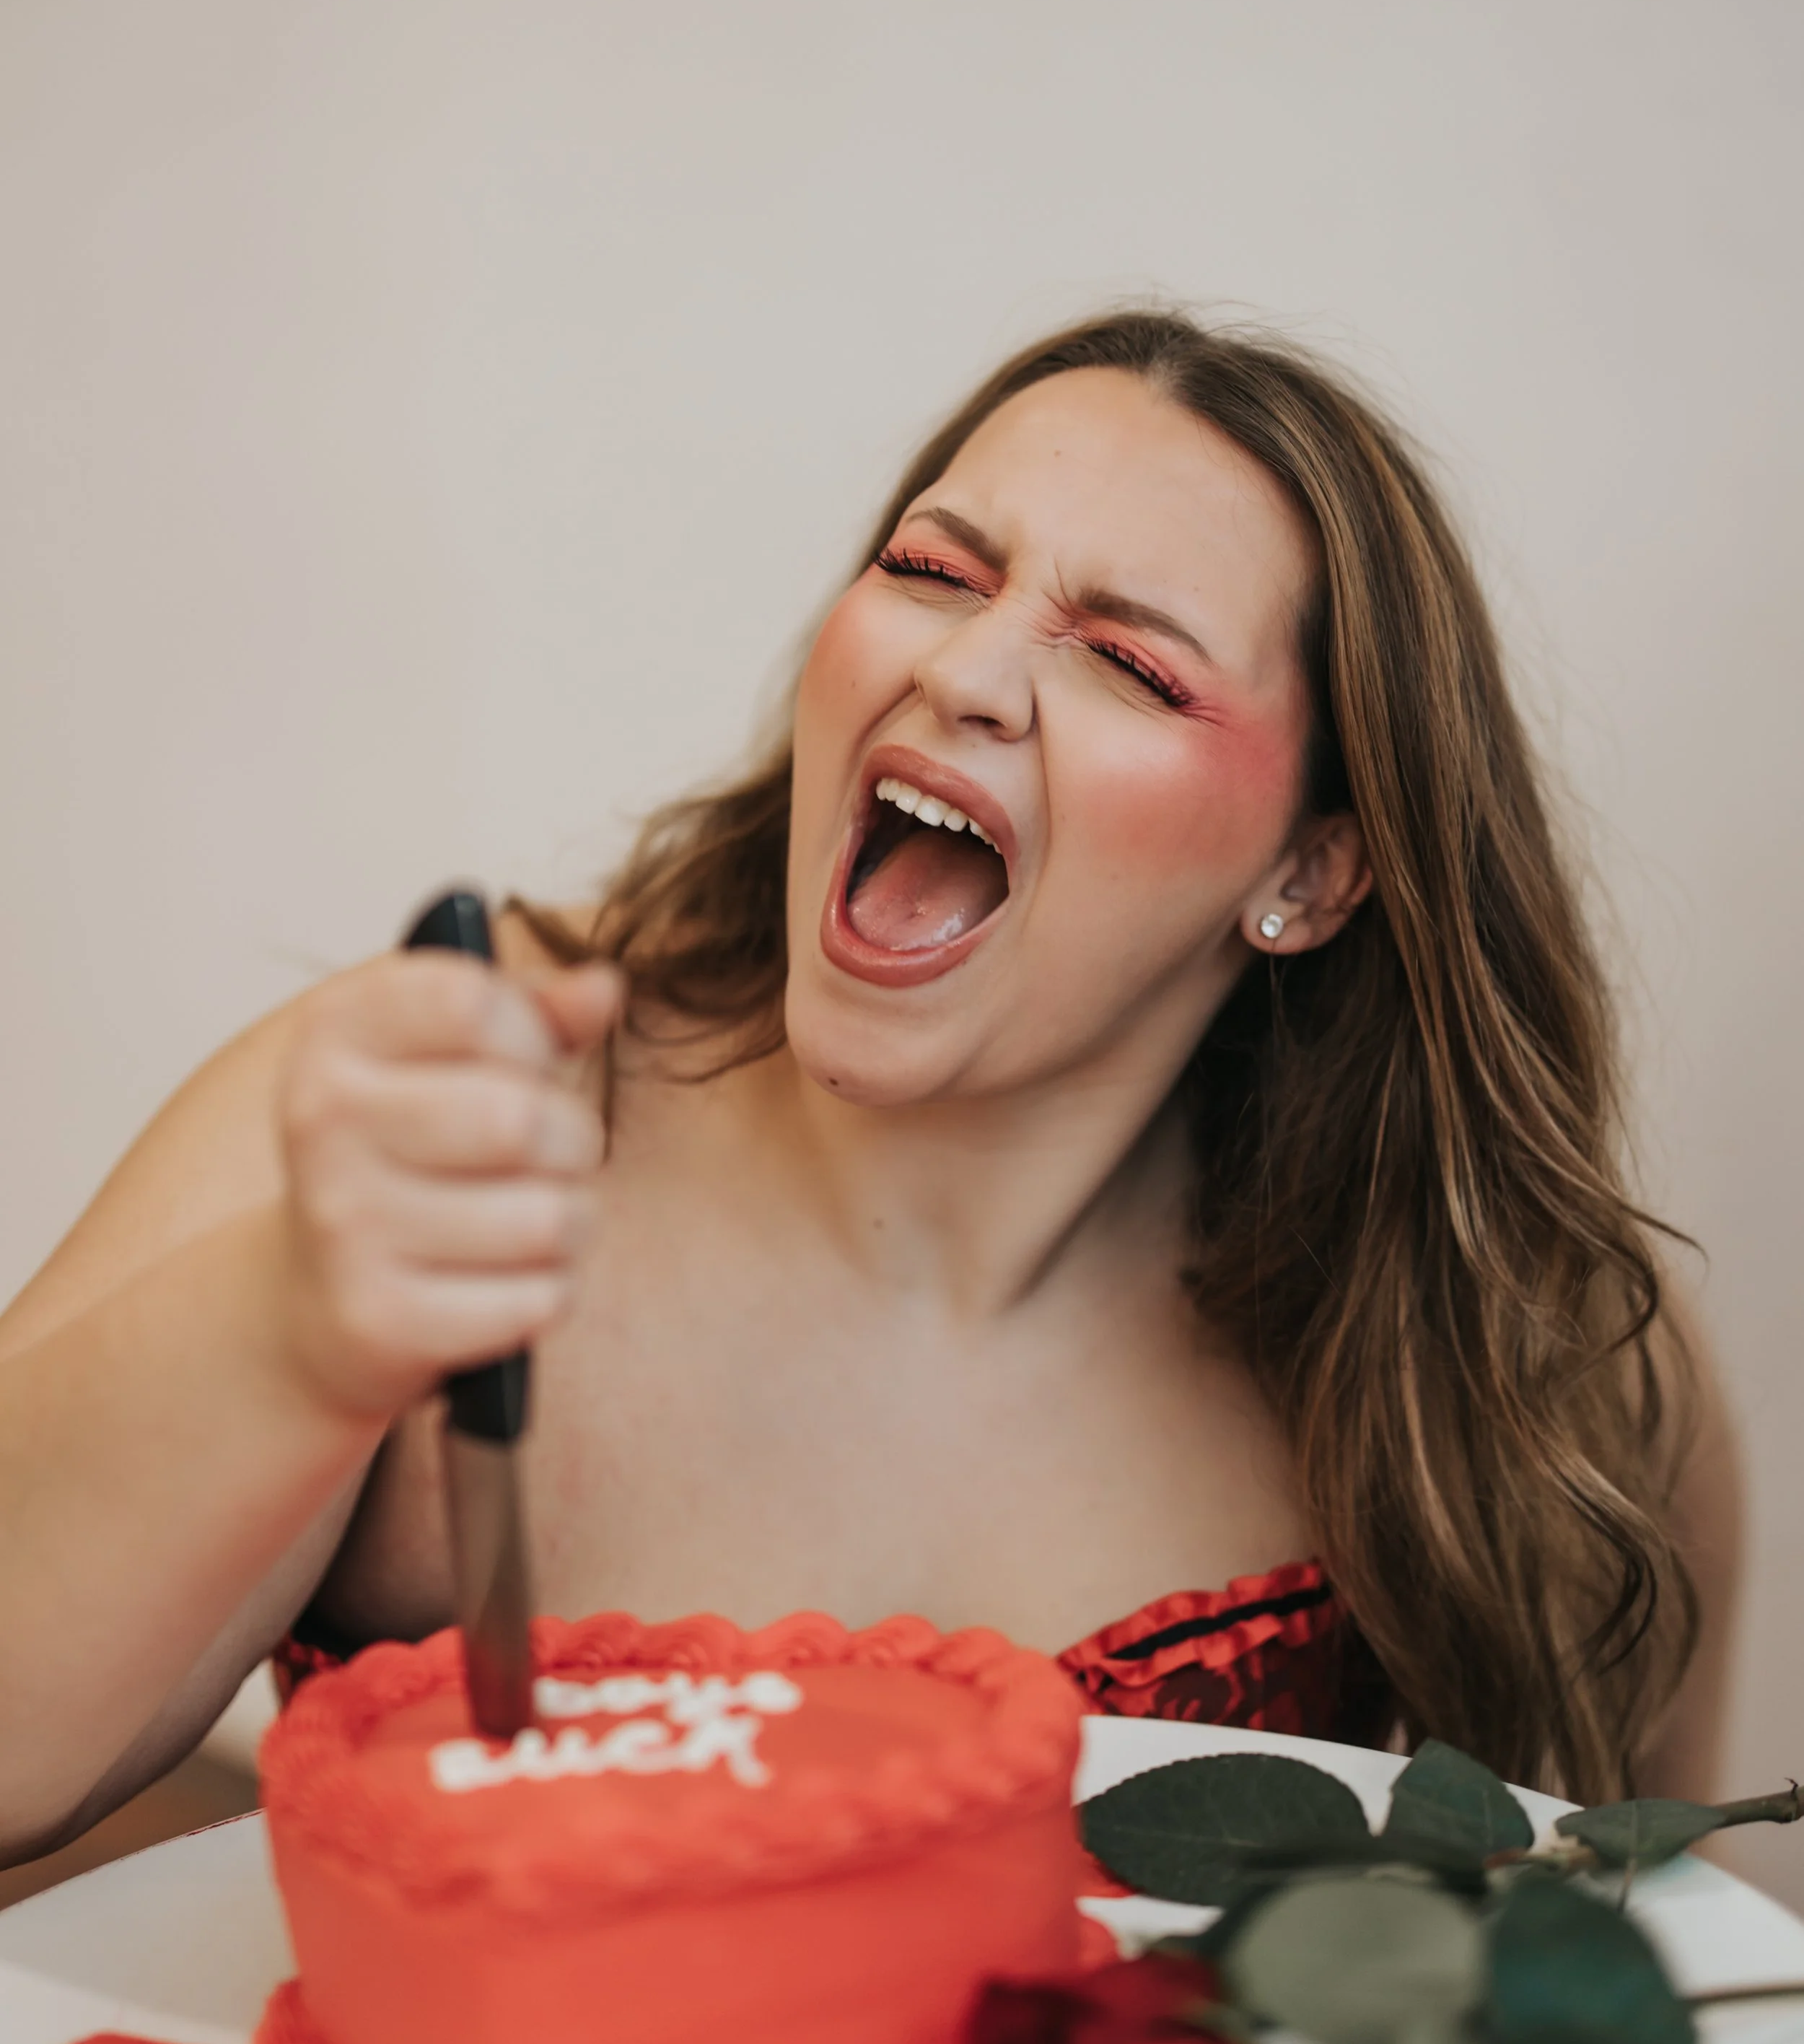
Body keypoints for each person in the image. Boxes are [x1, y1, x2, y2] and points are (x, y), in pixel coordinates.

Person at [0, 311, 1740, 1867]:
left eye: (1127, 662)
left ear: (1311, 873)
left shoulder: (1528, 1343)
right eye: (930, 570)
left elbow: (1642, 1947)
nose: (963, 671)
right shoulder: (439, 1109)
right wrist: (289, 1315)